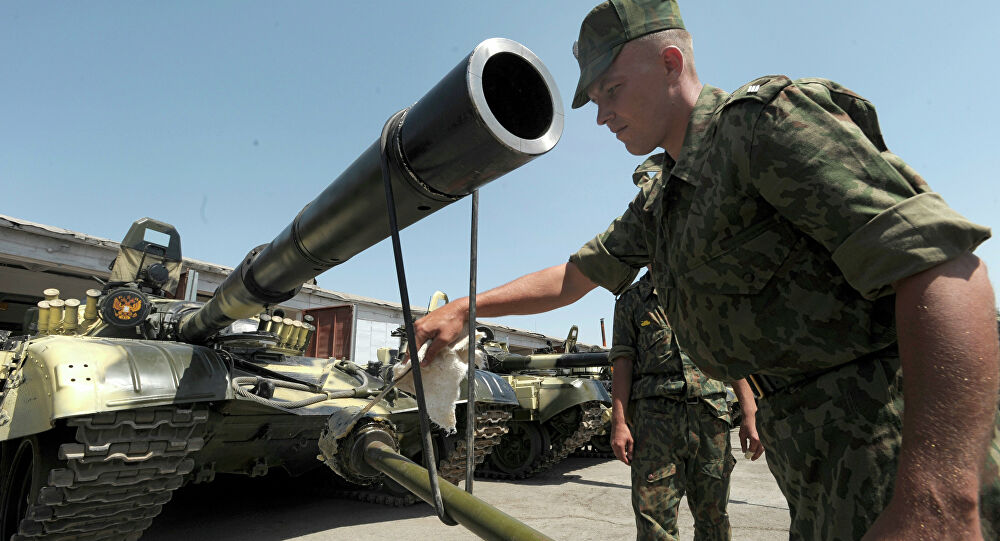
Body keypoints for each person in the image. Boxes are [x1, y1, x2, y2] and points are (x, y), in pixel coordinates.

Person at [414, 1, 1000, 538]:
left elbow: (944, 266)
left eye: (612, 90)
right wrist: (466, 308)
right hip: (808, 453)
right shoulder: (663, 199)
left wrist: (940, 493)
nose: (602, 116)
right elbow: (575, 277)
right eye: (594, 100)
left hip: (889, 437)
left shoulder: (761, 128)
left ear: (671, 62)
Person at [611, 264, 762, 540]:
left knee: (714, 519)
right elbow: (623, 362)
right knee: (654, 524)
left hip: (710, 419)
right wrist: (619, 422)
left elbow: (730, 355)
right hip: (656, 425)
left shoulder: (706, 292)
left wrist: (750, 412)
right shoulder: (631, 301)